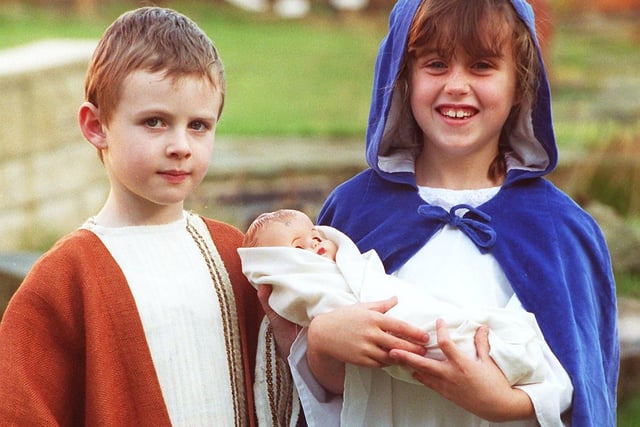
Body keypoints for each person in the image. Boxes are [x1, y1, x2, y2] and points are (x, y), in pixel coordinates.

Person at [262, 0, 619, 426]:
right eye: (436, 63)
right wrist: (322, 342)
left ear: (520, 84)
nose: (456, 85)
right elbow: (330, 392)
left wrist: (506, 403)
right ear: (403, 78)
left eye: (482, 65)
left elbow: (585, 393)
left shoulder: (561, 230)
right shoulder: (355, 211)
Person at [0, 7, 296, 426]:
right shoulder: (66, 278)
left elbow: (296, 383)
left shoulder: (239, 256)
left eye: (198, 125)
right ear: (96, 125)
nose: (180, 145)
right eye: (155, 122)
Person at [240, 208, 547, 389]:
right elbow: (334, 386)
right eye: (298, 249)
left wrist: (513, 404)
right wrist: (322, 338)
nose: (314, 245)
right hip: (398, 396)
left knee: (455, 326)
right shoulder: (355, 206)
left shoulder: (550, 219)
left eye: (315, 237)